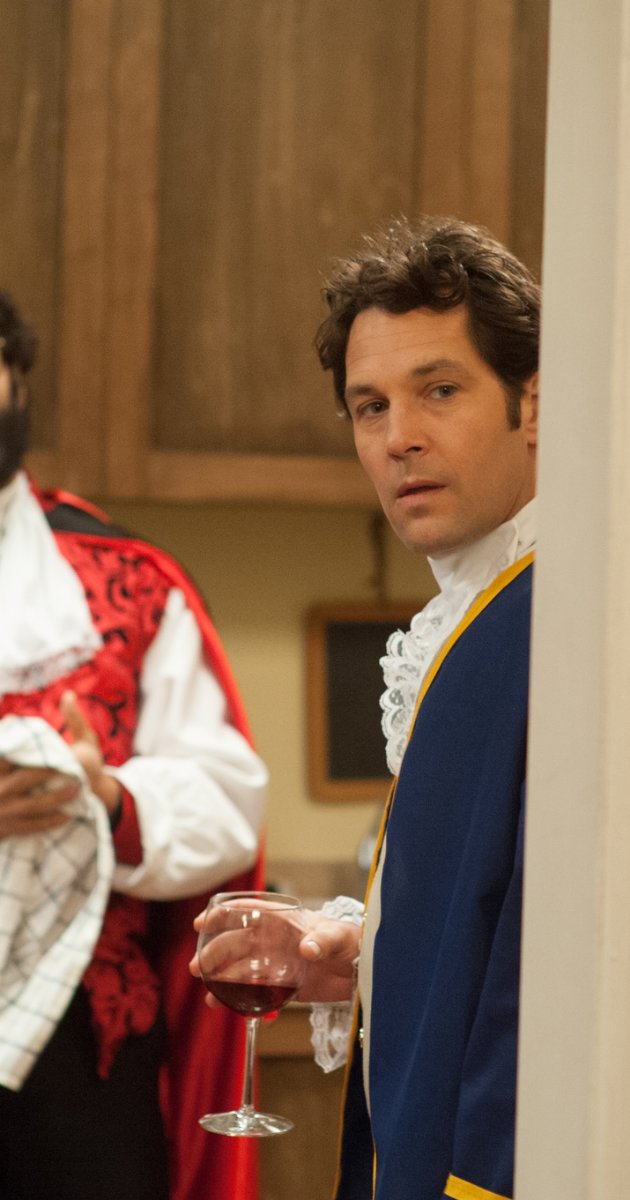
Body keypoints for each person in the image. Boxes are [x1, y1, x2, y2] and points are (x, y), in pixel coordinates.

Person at [0, 291, 268, 1200]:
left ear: (17, 378)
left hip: (86, 1071)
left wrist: (110, 800)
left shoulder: (136, 582)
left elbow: (226, 804)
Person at [292, 216, 538, 1200]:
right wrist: (366, 951)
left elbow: (543, 966)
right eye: (370, 406)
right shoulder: (482, 611)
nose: (400, 438)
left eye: (440, 390)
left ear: (534, 402)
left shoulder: (558, 623)